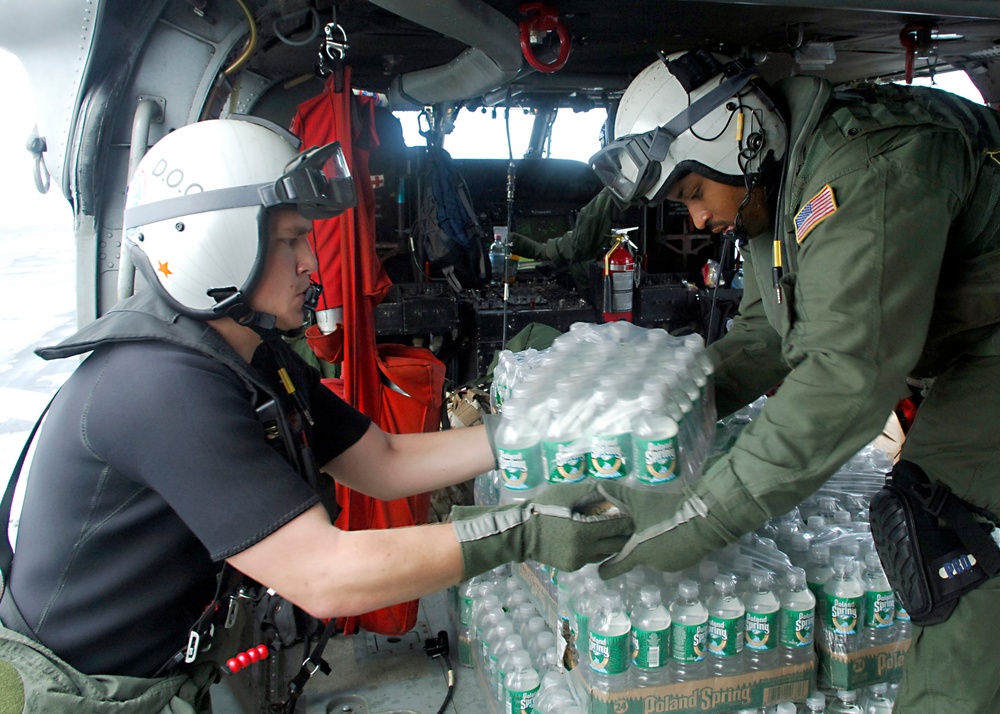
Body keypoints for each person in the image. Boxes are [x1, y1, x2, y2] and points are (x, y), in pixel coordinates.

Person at [0, 118, 633, 713]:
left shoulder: (250, 358)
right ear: (213, 246)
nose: (313, 263)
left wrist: (536, 433)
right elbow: (325, 575)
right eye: (290, 241)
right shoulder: (161, 387)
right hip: (80, 691)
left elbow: (381, 462)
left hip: (161, 670)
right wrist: (521, 533)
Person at [589, 49, 1000, 713]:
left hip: (990, 351)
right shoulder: (776, 199)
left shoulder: (869, 168)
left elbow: (846, 380)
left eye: (693, 193)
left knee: (951, 537)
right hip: (969, 346)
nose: (696, 220)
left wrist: (699, 517)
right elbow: (764, 338)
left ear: (742, 138)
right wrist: (655, 416)